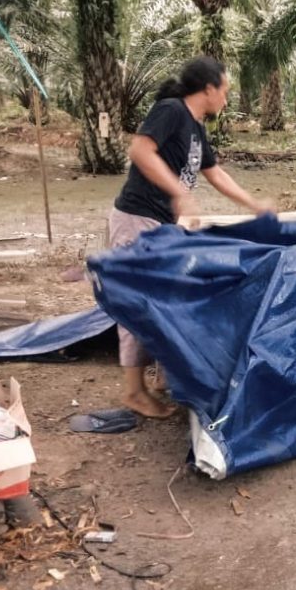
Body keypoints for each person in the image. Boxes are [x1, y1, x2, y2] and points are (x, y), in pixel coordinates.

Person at [110, 55, 273, 418]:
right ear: (209, 88)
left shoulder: (196, 128)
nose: (227, 100)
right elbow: (139, 150)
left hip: (164, 225)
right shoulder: (171, 110)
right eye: (225, 91)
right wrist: (178, 192)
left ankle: (163, 380)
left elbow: (216, 174)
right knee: (138, 302)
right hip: (136, 218)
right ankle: (133, 392)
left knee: (171, 299)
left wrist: (253, 204)